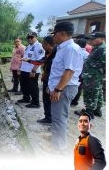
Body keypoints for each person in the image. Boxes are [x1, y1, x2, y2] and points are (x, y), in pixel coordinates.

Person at [48, 21, 84, 151]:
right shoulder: (63, 48)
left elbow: (69, 72)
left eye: (55, 34)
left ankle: (58, 147)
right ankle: (56, 139)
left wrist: (58, 89)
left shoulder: (71, 49)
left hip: (64, 88)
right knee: (58, 115)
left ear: (62, 33)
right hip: (60, 87)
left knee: (59, 117)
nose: (53, 37)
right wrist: (52, 86)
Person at [75, 32, 106, 118]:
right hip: (91, 75)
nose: (92, 40)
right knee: (98, 92)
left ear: (102, 38)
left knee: (91, 92)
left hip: (94, 75)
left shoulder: (103, 49)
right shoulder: (97, 48)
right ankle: (97, 110)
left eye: (94, 38)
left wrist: (99, 72)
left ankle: (89, 112)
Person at [17, 32, 45, 108]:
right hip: (24, 70)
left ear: (36, 37)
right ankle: (26, 98)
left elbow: (40, 60)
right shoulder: (29, 46)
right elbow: (26, 58)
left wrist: (34, 70)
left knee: (33, 87)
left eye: (31, 37)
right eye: (28, 38)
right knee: (24, 85)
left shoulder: (39, 47)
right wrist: (20, 68)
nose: (30, 39)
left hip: (31, 71)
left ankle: (35, 103)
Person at [71, 39, 90, 106]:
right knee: (79, 86)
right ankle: (75, 101)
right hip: (82, 72)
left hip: (75, 72)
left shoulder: (76, 52)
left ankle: (72, 100)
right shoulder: (87, 54)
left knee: (75, 85)